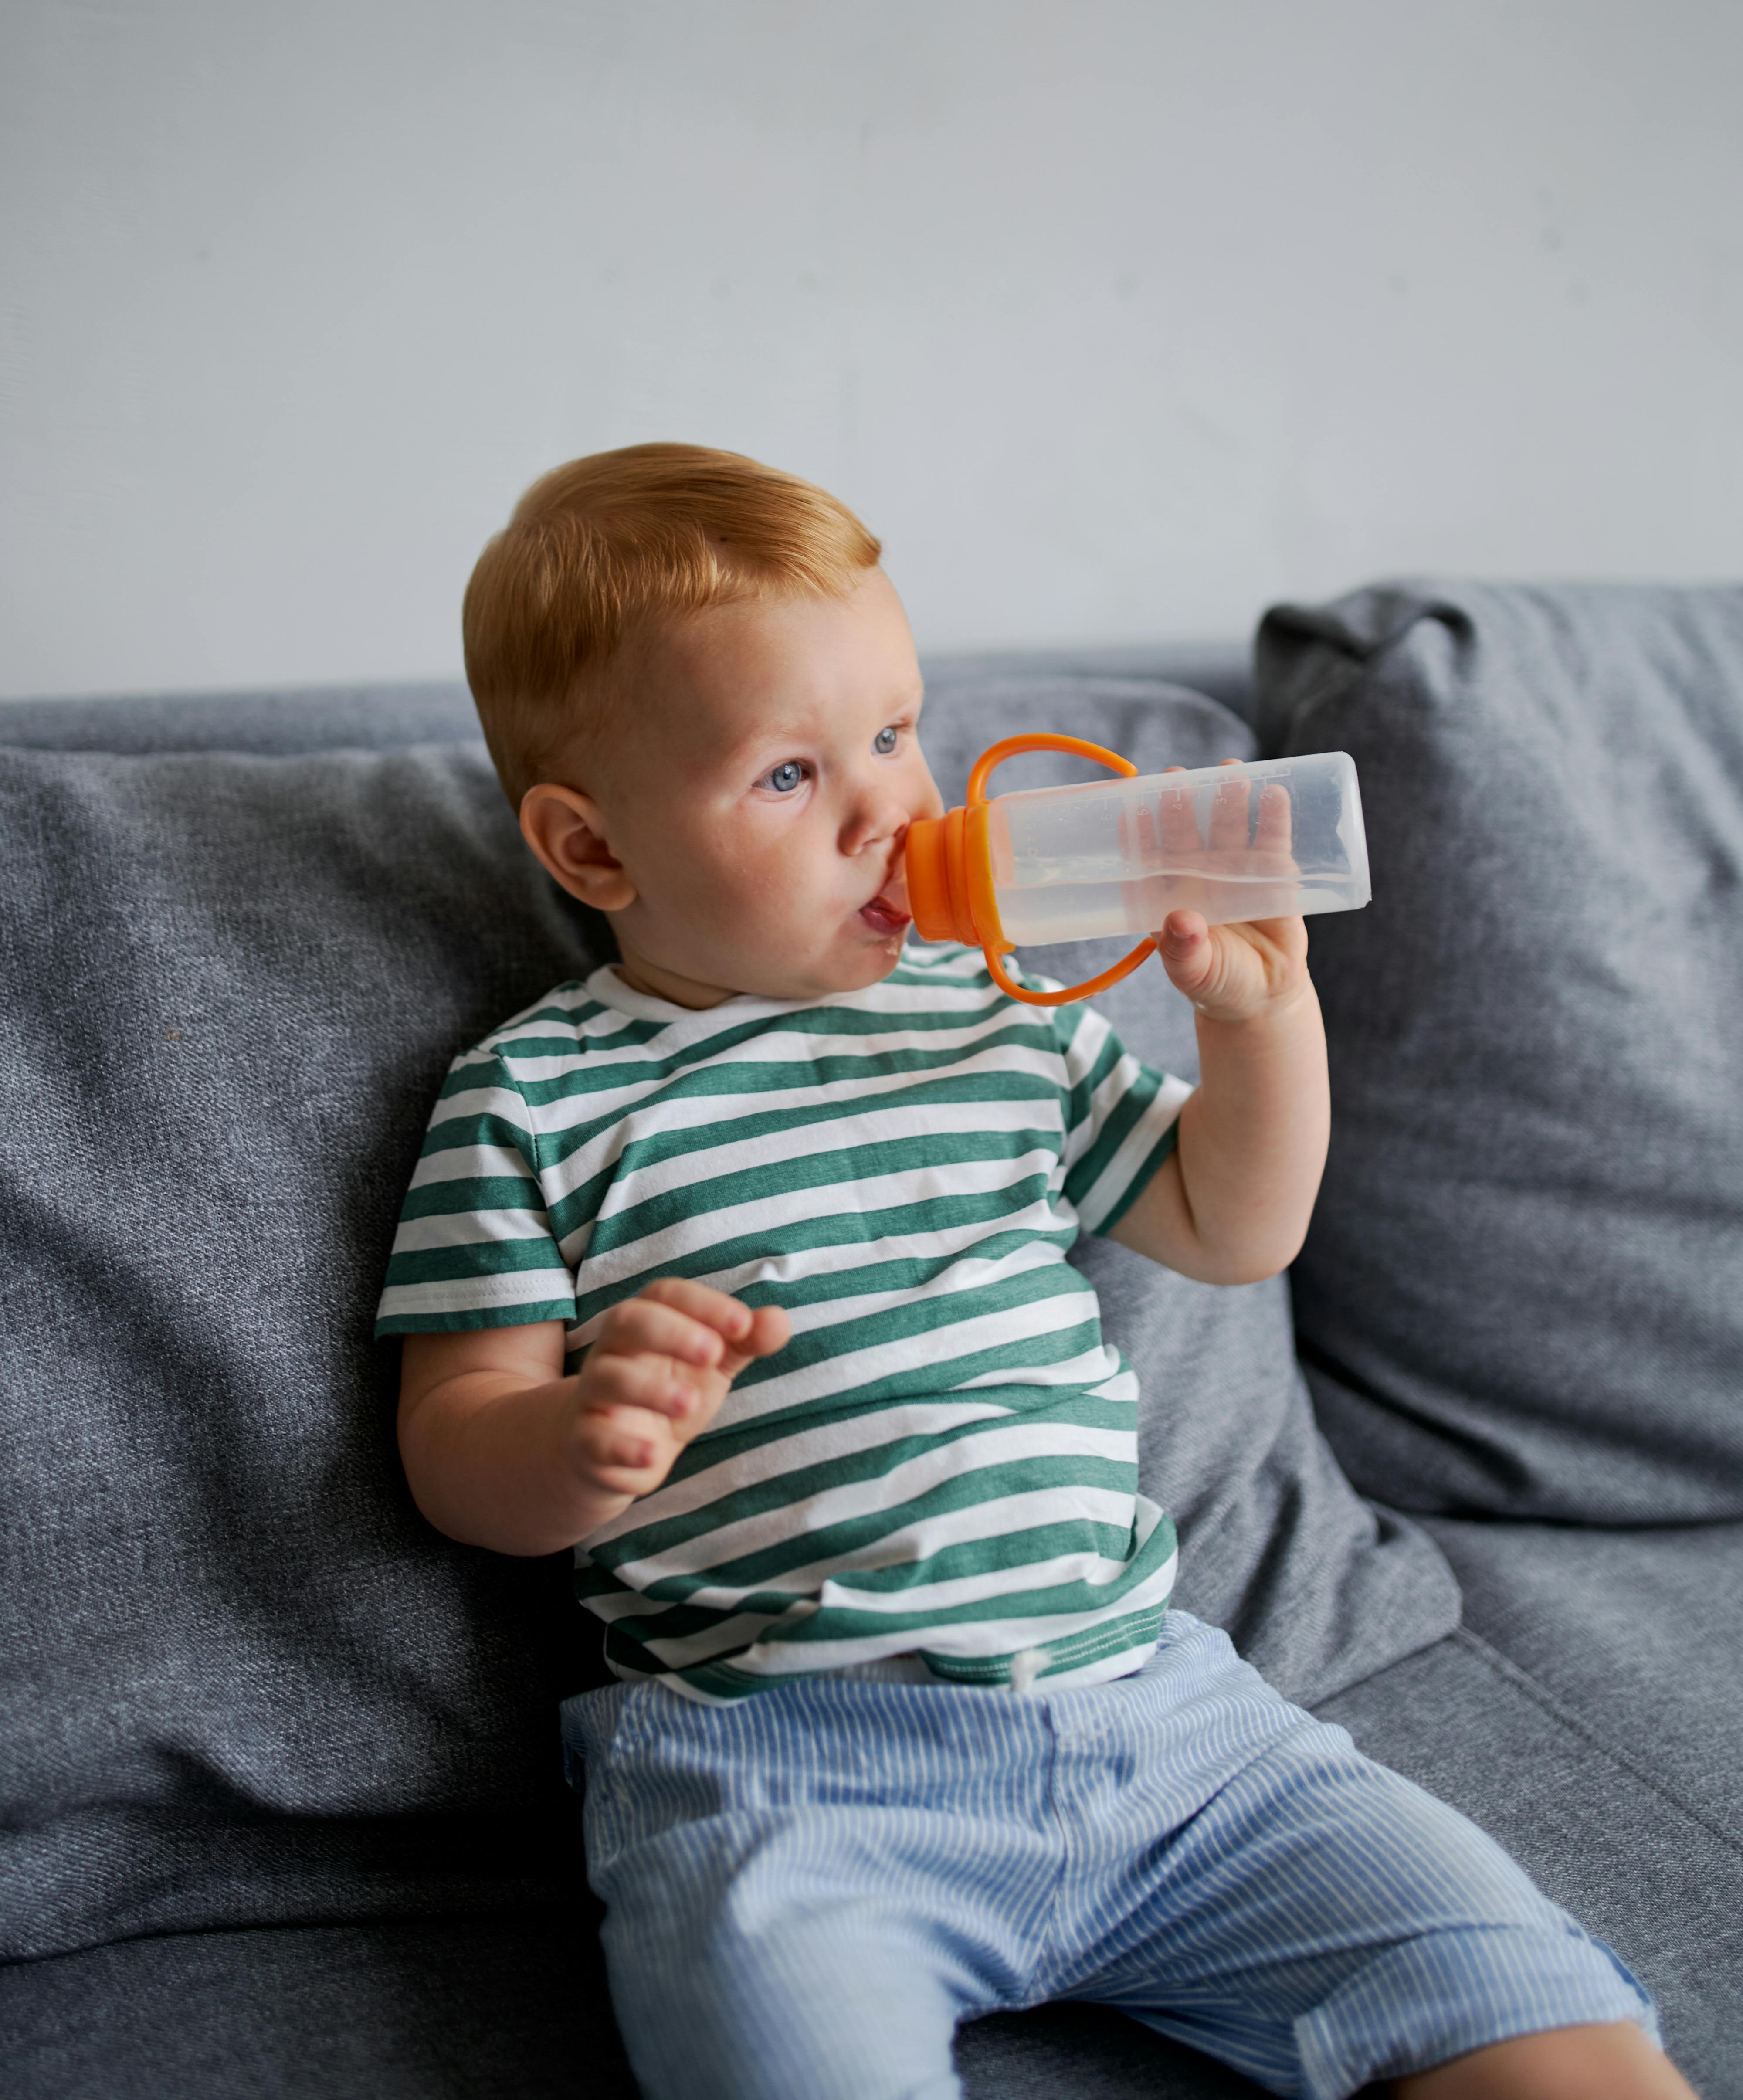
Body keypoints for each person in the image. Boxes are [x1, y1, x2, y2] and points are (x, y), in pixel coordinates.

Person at [378, 445, 1690, 2100]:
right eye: (790, 777)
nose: (891, 808)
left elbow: (1235, 1223)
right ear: (591, 851)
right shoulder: (536, 1098)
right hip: (789, 1776)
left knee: (1545, 2017)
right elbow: (453, 1442)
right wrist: (575, 1442)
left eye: (894, 730)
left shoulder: (1004, 1025)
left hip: (1165, 1726)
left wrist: (1259, 1020)